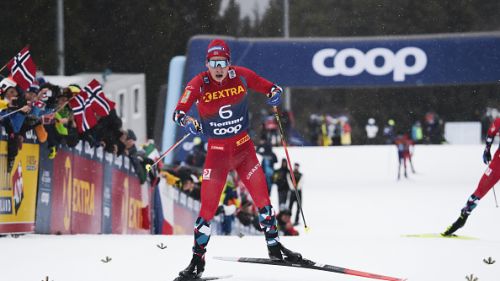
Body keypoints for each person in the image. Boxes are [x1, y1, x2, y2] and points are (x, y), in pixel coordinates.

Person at [172, 39, 304, 280]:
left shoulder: (240, 76)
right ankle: (196, 262)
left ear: (229, 63)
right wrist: (188, 122)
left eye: (222, 62)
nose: (218, 68)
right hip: (217, 154)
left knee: (263, 200)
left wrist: (275, 96)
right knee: (207, 210)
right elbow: (178, 112)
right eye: (213, 63)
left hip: (244, 151)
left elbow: (272, 88)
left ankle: (274, 247)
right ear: (207, 64)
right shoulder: (198, 84)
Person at [442, 117, 500, 236]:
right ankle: (462, 218)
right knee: (479, 190)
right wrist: (487, 149)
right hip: (498, 163)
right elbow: (491, 132)